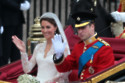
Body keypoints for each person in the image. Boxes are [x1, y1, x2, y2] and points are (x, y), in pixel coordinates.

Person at [52, 0, 114, 81]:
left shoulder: (104, 48)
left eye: (83, 28)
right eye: (78, 28)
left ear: (92, 26)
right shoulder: (79, 46)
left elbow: (104, 78)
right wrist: (59, 56)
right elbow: (64, 68)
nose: (79, 31)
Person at [12, 12, 70, 83]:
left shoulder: (63, 47)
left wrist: (47, 82)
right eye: (42, 27)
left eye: (48, 27)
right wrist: (23, 51)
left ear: (55, 27)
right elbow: (27, 69)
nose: (45, 30)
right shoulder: (39, 47)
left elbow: (65, 72)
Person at [0, 0, 30, 66]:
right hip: (5, 20)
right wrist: (19, 6)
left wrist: (27, 2)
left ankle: (15, 74)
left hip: (17, 19)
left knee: (16, 51)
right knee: (5, 52)